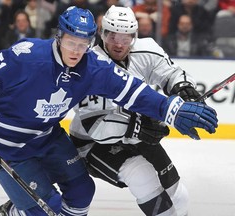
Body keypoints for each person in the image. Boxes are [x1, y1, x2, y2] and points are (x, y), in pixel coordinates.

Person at [0, 6, 218, 216]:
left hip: (49, 137)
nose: (76, 51)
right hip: (10, 146)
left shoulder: (94, 66)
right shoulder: (28, 54)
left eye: (83, 44)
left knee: (83, 192)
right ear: (59, 36)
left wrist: (171, 108)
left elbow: (133, 91)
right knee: (45, 210)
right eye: (71, 42)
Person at [69, 5, 213, 216]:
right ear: (102, 33)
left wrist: (185, 90)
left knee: (178, 196)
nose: (119, 44)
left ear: (134, 37)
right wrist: (138, 126)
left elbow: (170, 73)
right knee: (141, 175)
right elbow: (96, 126)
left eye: (125, 38)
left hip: (136, 135)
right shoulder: (88, 65)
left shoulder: (146, 50)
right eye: (112, 36)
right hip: (92, 143)